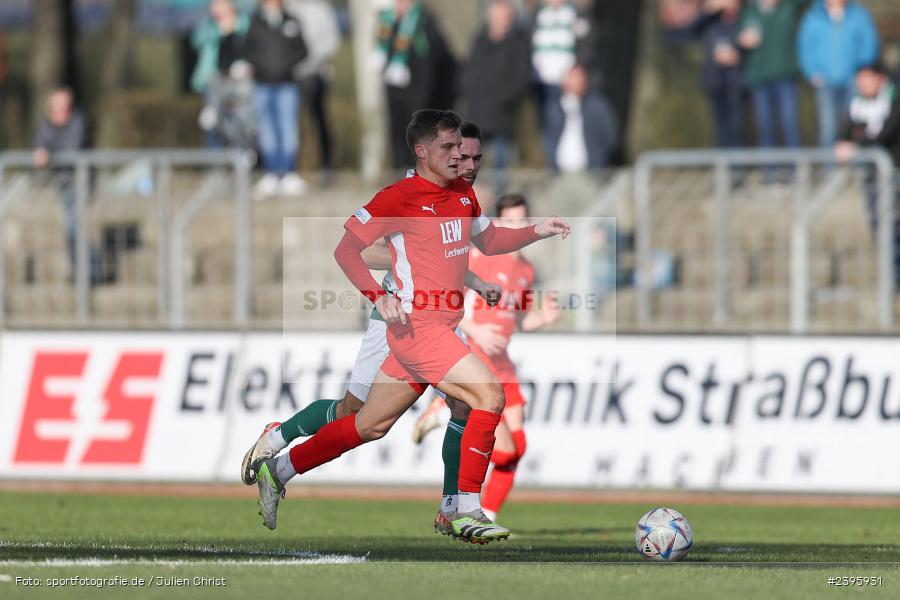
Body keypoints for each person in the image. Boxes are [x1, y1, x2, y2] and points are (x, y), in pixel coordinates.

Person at [250, 110, 569, 543]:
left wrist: (538, 230)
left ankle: (280, 468)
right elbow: (347, 250)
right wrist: (378, 295)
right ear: (421, 152)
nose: (461, 156)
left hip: (436, 328)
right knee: (488, 396)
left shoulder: (462, 196)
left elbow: (489, 241)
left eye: (462, 147)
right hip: (418, 328)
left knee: (368, 425)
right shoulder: (398, 197)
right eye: (449, 148)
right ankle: (464, 510)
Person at [413, 193, 560, 521]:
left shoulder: (525, 270)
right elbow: (449, 303)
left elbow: (521, 321)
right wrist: (477, 331)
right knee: (505, 449)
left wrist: (544, 320)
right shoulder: (480, 257)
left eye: (521, 220)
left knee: (516, 451)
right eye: (508, 221)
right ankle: (443, 416)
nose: (516, 226)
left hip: (504, 365)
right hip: (477, 356)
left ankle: (487, 514)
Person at [834, 62, 900, 284]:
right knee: (877, 223)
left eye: (867, 78)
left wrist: (857, 145)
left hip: (894, 172)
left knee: (892, 225)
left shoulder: (894, 99)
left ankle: (893, 277)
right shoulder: (856, 103)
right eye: (859, 79)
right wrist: (846, 143)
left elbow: (886, 135)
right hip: (873, 176)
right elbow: (845, 132)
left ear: (880, 78)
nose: (862, 83)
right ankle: (890, 277)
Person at [374, 1, 457, 170]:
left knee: (419, 131)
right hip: (395, 89)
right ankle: (399, 169)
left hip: (420, 88)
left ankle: (421, 170)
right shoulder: (388, 21)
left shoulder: (424, 19)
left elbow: (436, 52)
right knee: (397, 130)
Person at [462, 0, 530, 194]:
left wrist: (502, 99)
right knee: (473, 169)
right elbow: (469, 74)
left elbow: (521, 79)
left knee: (501, 171)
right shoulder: (479, 40)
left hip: (502, 118)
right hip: (477, 116)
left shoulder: (517, 43)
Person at [242, 0, 308, 198]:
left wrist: (284, 65)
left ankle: (288, 172)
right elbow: (246, 49)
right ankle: (271, 173)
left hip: (286, 83)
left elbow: (303, 50)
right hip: (262, 84)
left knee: (288, 130)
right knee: (267, 131)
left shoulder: (291, 21)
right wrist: (262, 66)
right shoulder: (255, 22)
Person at [33, 88, 97, 282]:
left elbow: (73, 148)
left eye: (64, 106)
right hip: (63, 183)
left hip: (81, 182)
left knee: (74, 227)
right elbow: (40, 143)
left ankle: (88, 271)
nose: (60, 111)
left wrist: (49, 154)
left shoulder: (78, 121)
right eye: (55, 107)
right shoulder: (47, 125)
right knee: (72, 228)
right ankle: (81, 270)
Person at [797, 0, 879, 147]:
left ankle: (857, 167)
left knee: (856, 126)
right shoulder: (813, 16)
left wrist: (862, 70)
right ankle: (829, 167)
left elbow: (868, 42)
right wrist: (813, 73)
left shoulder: (859, 14)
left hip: (853, 81)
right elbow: (805, 47)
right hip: (825, 82)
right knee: (828, 127)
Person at [666, 0, 746, 148]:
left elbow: (750, 39)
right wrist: (706, 11)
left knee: (737, 126)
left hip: (737, 81)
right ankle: (724, 165)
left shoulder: (744, 19)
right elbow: (688, 32)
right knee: (720, 128)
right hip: (715, 80)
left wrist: (738, 51)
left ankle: (738, 167)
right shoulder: (710, 21)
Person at [530, 0, 594, 162]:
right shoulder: (536, 15)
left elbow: (586, 45)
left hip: (565, 84)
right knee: (545, 129)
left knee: (561, 127)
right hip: (540, 83)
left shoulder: (576, 14)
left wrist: (575, 72)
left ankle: (560, 167)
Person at [286, 0, 341, 182]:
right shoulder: (286, 8)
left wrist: (310, 58)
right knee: (291, 124)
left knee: (319, 119)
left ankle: (326, 167)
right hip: (289, 75)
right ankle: (292, 170)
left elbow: (332, 41)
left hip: (316, 72)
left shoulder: (320, 9)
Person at [738, 0, 804, 149]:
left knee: (790, 123)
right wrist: (741, 39)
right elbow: (736, 34)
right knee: (765, 126)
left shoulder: (788, 6)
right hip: (760, 77)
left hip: (785, 75)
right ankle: (770, 170)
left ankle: (796, 168)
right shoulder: (749, 11)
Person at [190, 0, 255, 150]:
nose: (216, 8)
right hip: (214, 82)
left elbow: (254, 42)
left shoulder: (244, 23)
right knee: (211, 122)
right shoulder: (208, 25)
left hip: (239, 82)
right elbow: (196, 40)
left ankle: (242, 159)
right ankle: (215, 164)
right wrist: (219, 30)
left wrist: (235, 26)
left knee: (240, 123)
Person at [545, 64, 618, 173]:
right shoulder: (553, 107)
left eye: (578, 79)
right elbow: (546, 136)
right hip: (558, 174)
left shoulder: (597, 106)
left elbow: (610, 139)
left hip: (591, 174)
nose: (575, 83)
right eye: (571, 79)